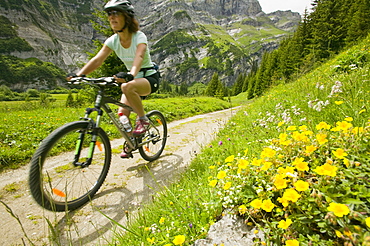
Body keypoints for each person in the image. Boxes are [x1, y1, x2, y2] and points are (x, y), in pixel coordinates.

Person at [67, 0, 160, 158]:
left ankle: (143, 120)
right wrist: (80, 75)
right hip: (132, 79)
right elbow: (97, 60)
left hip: (149, 78)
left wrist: (131, 74)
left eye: (116, 13)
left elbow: (139, 56)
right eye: (109, 14)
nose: (111, 17)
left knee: (126, 87)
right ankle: (132, 142)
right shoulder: (113, 40)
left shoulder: (139, 36)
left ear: (127, 17)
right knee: (122, 116)